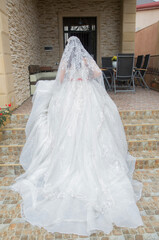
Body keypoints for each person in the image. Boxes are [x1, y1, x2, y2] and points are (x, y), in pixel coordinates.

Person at [9, 36, 144, 236]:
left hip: (71, 95)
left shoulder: (66, 61)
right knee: (93, 129)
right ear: (81, 48)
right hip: (87, 94)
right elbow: (98, 73)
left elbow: (60, 80)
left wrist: (68, 83)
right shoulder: (86, 60)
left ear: (67, 49)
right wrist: (85, 77)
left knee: (70, 130)